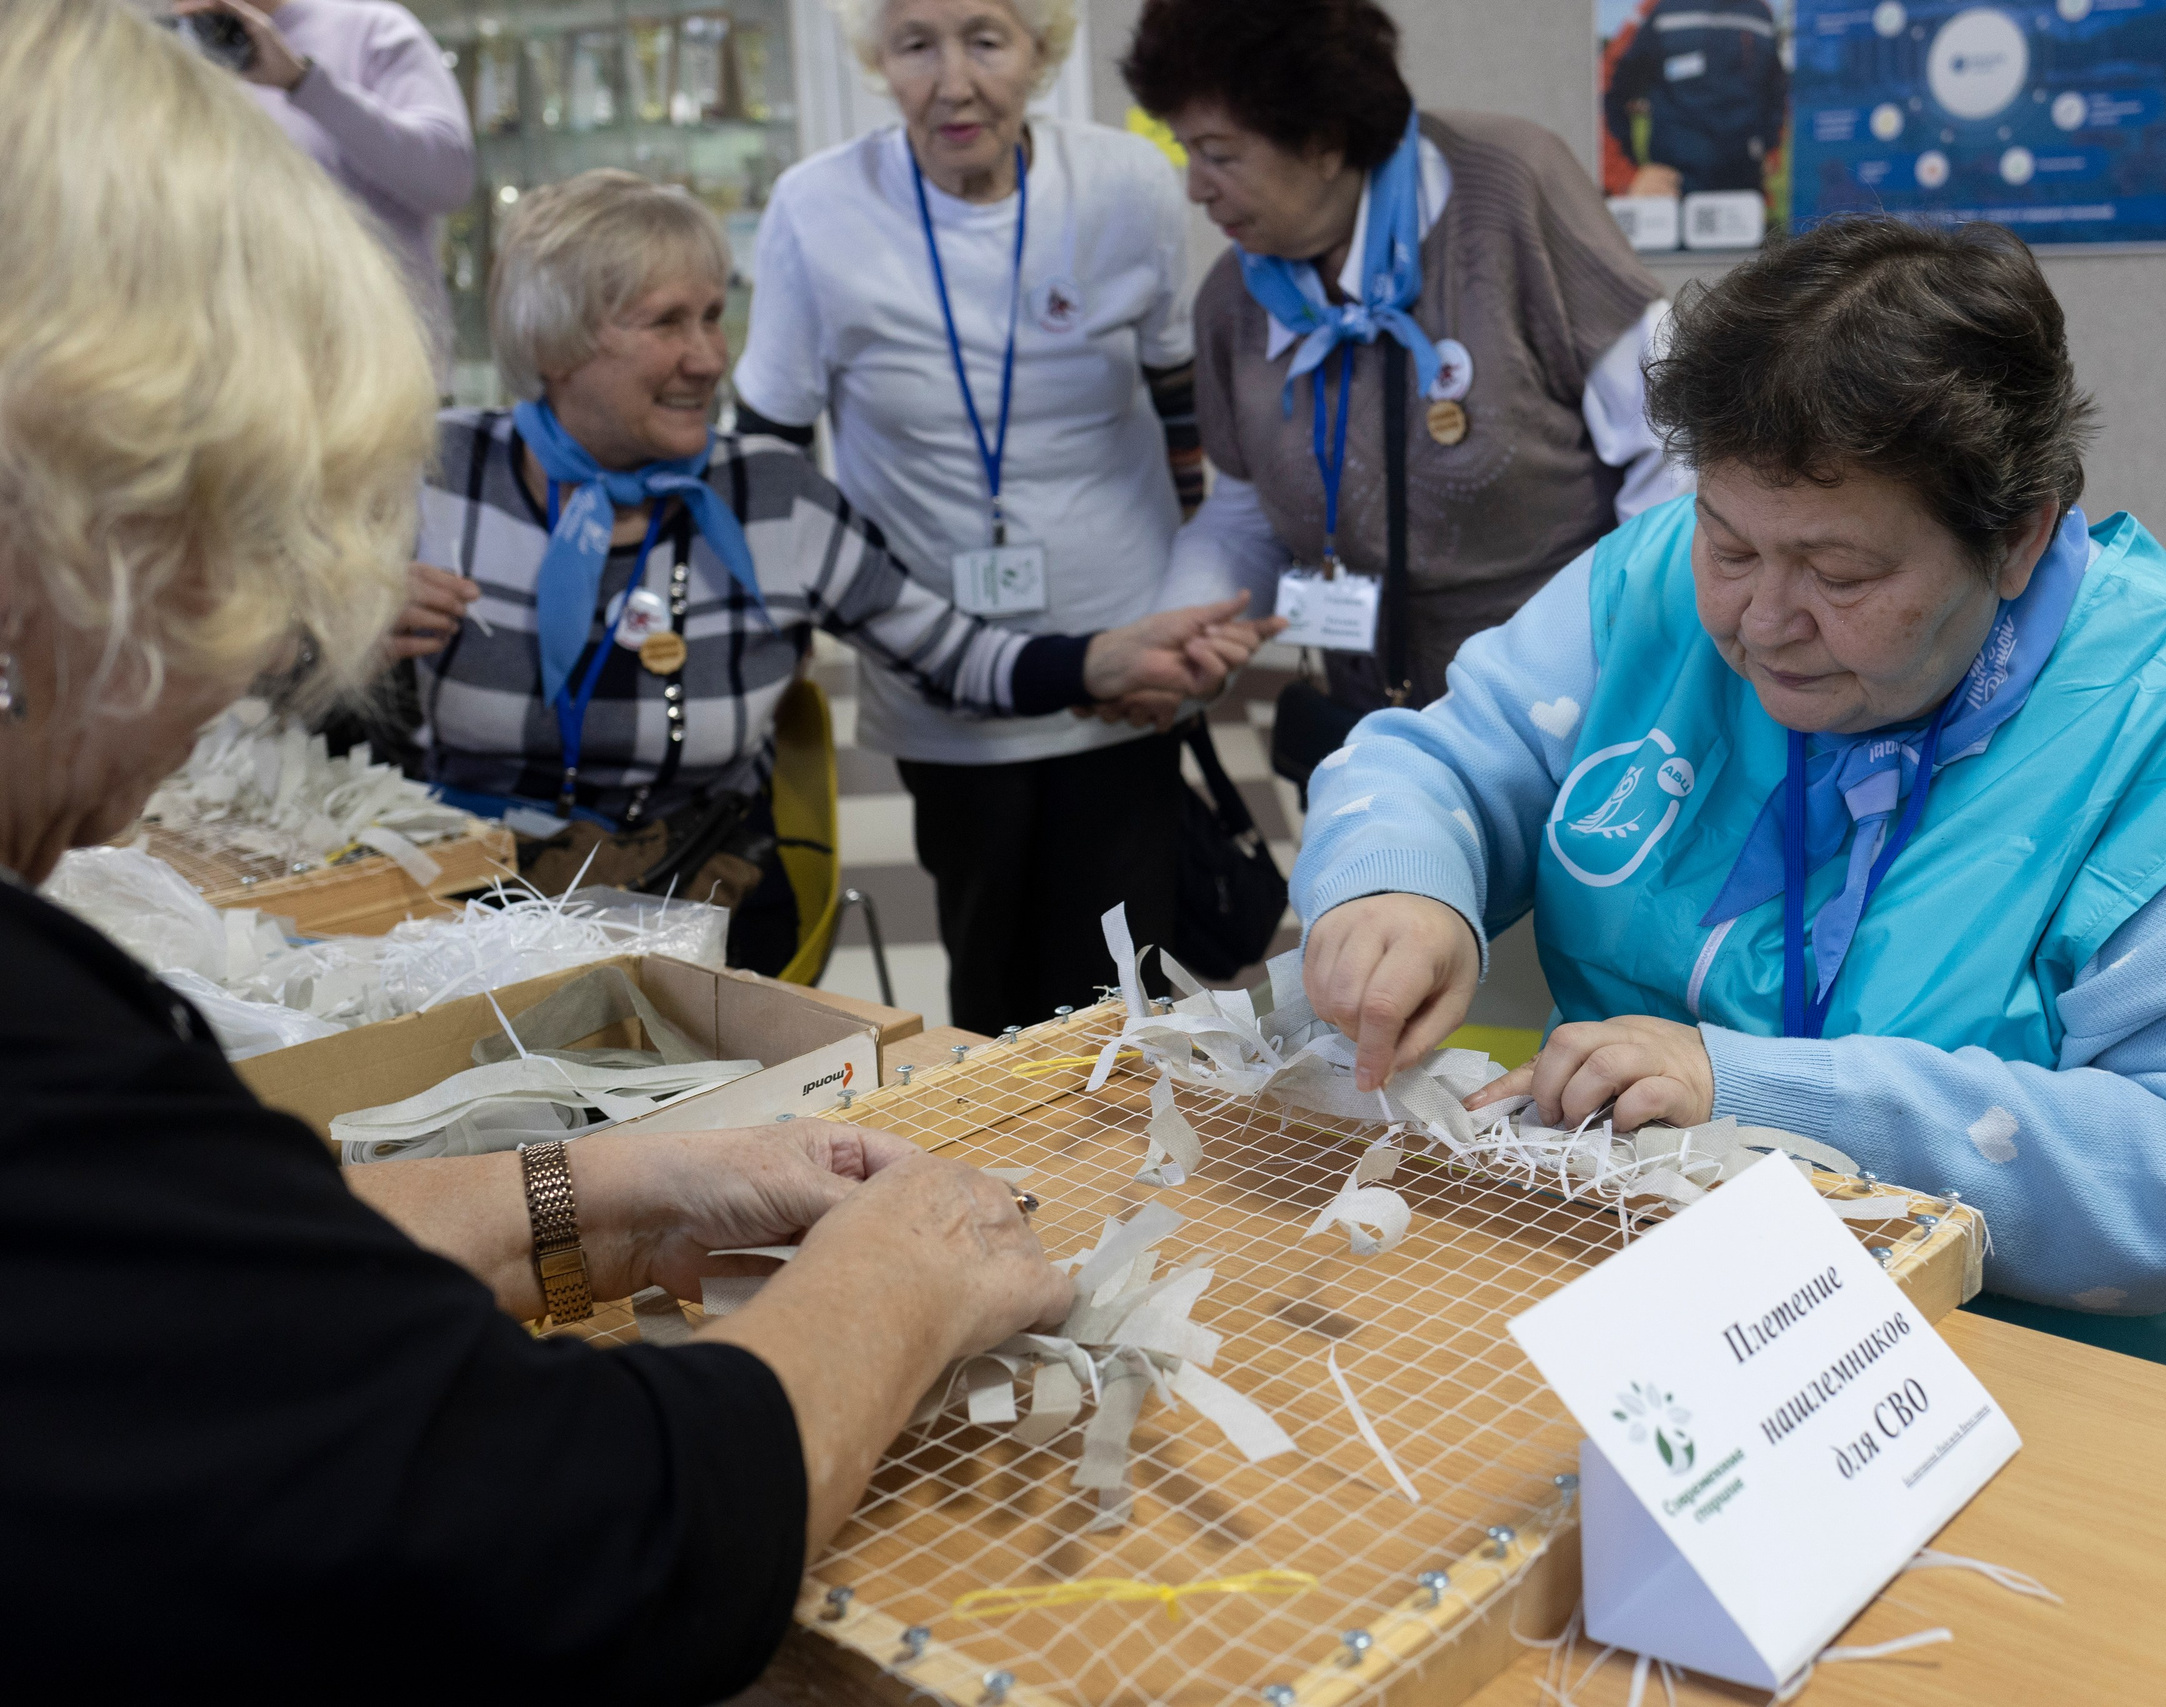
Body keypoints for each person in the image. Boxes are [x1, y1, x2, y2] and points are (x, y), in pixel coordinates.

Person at [0, 4, 1068, 1697]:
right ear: (73, 537)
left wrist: (616, 1184)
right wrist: (904, 1280)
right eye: (237, 561)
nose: (244, 651)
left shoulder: (775, 497)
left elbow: (250, 1281)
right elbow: (591, 1534)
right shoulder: (45, 1047)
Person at [1289, 218, 2166, 1389]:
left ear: (2017, 541)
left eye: (1841, 576)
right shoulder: (1656, 580)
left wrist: (1753, 1100)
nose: (1761, 621)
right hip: (1651, 1293)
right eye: (1728, 545)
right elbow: (1444, 762)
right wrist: (1399, 888)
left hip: (2045, 1366)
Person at [400, 169, 1273, 977]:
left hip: (698, 914)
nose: (710, 359)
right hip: (465, 912)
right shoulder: (437, 478)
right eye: (668, 323)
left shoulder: (769, 498)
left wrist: (1102, 661)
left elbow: (951, 654)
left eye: (713, 316)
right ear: (551, 343)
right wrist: (346, 631)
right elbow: (284, 670)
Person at [733, 0, 1218, 1032]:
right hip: (938, 662)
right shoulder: (817, 207)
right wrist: (782, 641)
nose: (953, 81)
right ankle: (1003, 1186)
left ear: (1040, 51)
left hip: (1123, 649)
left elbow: (1181, 401)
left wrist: (1192, 606)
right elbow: (770, 448)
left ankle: (1135, 1183)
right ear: (878, 60)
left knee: (1128, 983)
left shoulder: (1127, 184)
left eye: (986, 39)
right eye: (915, 45)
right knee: (988, 972)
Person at [1123, 0, 1689, 726]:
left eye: (1219, 154)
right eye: (1186, 151)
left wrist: (1630, 660)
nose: (1195, 187)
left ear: (1324, 142)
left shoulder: (1510, 187)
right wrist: (1181, 640)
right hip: (1369, 720)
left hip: (1567, 705)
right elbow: (1241, 518)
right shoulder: (1234, 298)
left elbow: (1676, 445)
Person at [171, 0, 475, 382]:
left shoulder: (371, 29)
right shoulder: (166, 54)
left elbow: (448, 179)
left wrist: (303, 82)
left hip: (377, 384)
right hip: (228, 387)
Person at [1604, 0, 1789, 203]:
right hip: (1674, 194)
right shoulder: (1657, 9)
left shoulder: (1759, 12)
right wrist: (1627, 176)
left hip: (1744, 192)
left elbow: (1776, 91)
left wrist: (1771, 150)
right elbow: (1606, 87)